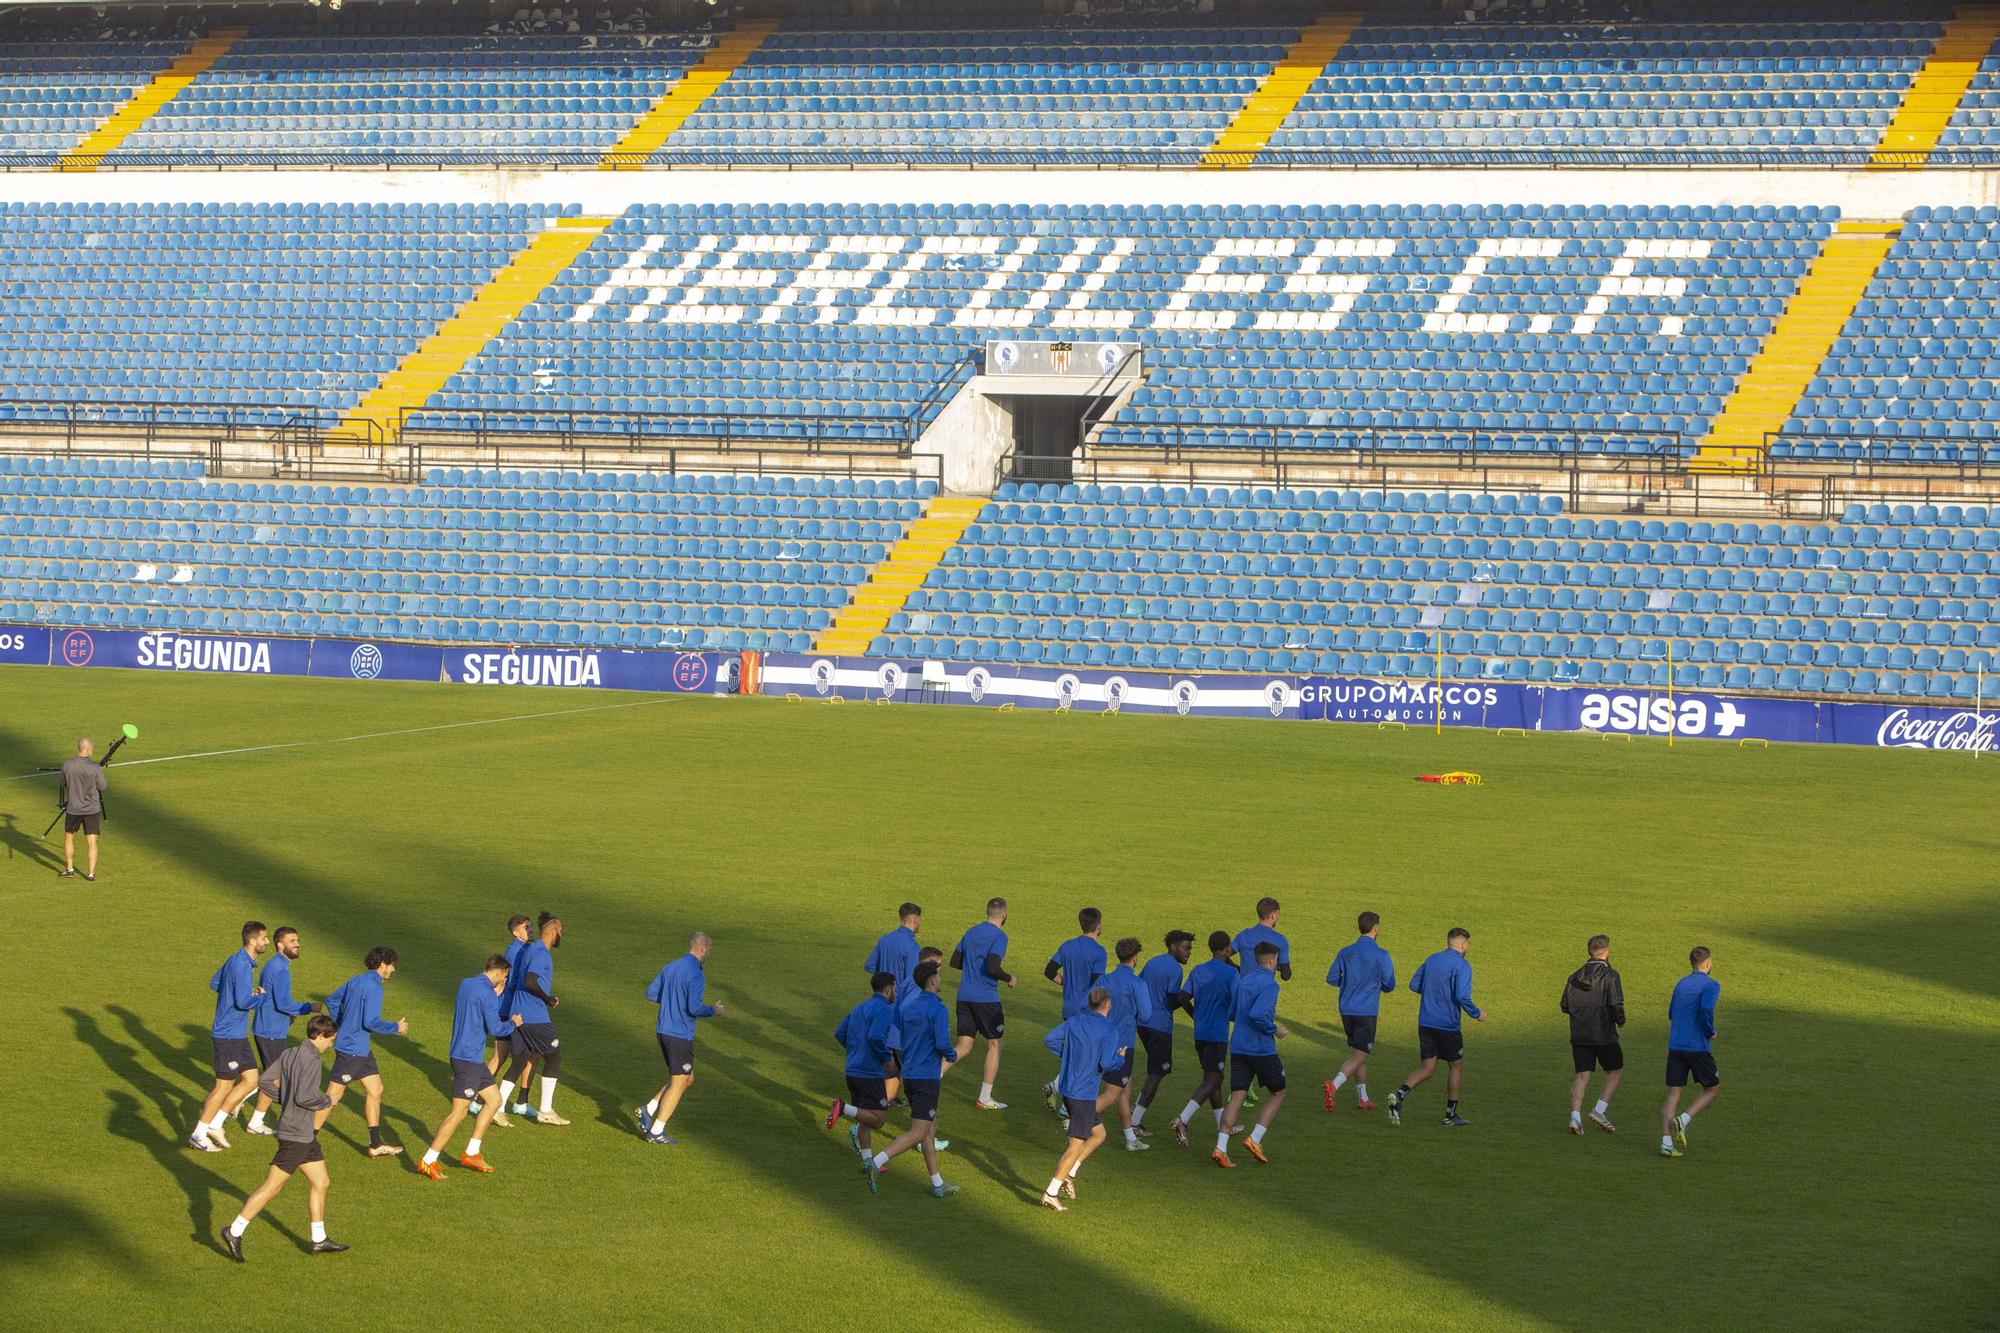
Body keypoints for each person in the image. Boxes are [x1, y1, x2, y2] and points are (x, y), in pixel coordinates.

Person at [221, 1013, 345, 1261]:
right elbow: (305, 1098)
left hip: (303, 1135)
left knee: (321, 1182)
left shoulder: (290, 1053)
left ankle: (318, 1239)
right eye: (330, 1039)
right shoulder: (313, 1061)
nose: (331, 1044)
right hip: (296, 1135)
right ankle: (234, 1231)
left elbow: (266, 1080)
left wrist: (282, 1099)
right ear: (320, 1035)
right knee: (272, 1187)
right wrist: (328, 1101)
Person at [415, 955, 520, 1181]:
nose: (505, 979)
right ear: (499, 972)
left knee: (494, 1101)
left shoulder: (466, 983)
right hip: (468, 1060)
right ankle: (428, 1159)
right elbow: (497, 1029)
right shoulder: (488, 995)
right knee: (458, 1113)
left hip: (464, 1056)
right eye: (505, 975)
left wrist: (495, 995)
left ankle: (472, 1152)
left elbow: (476, 1005)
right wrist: (514, 1023)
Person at [864, 961, 959, 1197]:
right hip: (927, 1077)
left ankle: (937, 1184)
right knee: (918, 1132)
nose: (940, 979)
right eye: (938, 976)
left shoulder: (907, 1007)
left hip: (909, 1075)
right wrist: (952, 1054)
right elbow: (941, 1043)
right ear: (932, 981)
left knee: (927, 1132)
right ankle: (876, 1161)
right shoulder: (938, 1009)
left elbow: (901, 1034)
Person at [1037, 987, 1126, 1213]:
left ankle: (1070, 1173)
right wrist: (1119, 1059)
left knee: (1099, 1134)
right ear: (1108, 1005)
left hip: (1068, 1089)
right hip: (1084, 1094)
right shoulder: (1109, 1031)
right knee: (1075, 1145)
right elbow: (1107, 1064)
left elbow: (1050, 1040)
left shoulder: (1075, 1022)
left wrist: (1068, 1055)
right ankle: (1051, 1192)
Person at [1386, 928, 1486, 1128]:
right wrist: (1477, 1014)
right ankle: (1450, 1114)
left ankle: (1399, 1094)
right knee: (1455, 1066)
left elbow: (1414, 984)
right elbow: (1461, 996)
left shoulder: (1432, 959)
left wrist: (1433, 990)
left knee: (1427, 1069)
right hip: (1447, 1025)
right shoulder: (1463, 965)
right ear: (1463, 945)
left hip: (1426, 1023)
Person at [637, 932, 724, 1145]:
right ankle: (656, 1131)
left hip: (663, 1031)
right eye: (709, 950)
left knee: (687, 1077)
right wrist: (713, 1009)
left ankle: (648, 1109)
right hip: (679, 1035)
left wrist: (670, 1001)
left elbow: (651, 993)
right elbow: (693, 1008)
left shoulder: (671, 966)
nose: (709, 954)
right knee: (678, 1082)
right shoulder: (696, 973)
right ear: (702, 948)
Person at [190, 921, 270, 1152]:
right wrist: (261, 997)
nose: (266, 942)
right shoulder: (242, 966)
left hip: (236, 1034)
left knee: (252, 1080)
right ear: (253, 940)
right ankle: (198, 1133)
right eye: (264, 938)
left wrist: (240, 992)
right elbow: (243, 1002)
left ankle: (216, 1124)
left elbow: (216, 982)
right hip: (228, 1036)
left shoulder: (235, 959)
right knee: (223, 1087)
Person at [323, 947, 411, 1157]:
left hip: (361, 1049)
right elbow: (370, 1022)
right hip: (352, 1050)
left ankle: (375, 1144)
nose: (393, 970)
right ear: (383, 965)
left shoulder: (356, 980)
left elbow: (332, 1000)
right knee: (333, 1096)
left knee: (376, 1089)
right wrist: (395, 1028)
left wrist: (340, 1023)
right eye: (392, 966)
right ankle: (305, 1137)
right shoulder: (375, 987)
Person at [1215, 941, 1288, 1167]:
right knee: (1278, 1093)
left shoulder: (1243, 980)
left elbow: (1232, 1013)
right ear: (1271, 960)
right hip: (1261, 1050)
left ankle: (1221, 1148)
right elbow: (1258, 1014)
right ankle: (1255, 1139)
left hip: (1238, 1046)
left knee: (1238, 1095)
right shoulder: (1270, 985)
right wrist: (1274, 1029)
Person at [1167, 931, 1238, 1148]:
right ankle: (1183, 1119)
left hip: (1200, 1033)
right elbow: (1236, 1003)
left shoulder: (1198, 971)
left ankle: (1223, 1125)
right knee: (1213, 1079)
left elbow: (1182, 998)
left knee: (1214, 1077)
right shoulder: (1231, 974)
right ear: (1226, 949)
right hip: (1217, 1034)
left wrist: (1196, 1015)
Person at [246, 926, 318, 1137]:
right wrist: (308, 1008)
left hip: (271, 1029)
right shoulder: (278, 969)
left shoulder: (277, 966)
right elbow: (283, 1003)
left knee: (274, 1077)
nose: (297, 945)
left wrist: (288, 1016)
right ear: (280, 945)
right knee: (274, 1079)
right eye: (292, 941)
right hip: (270, 1032)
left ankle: (251, 1115)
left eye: (297, 941)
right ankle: (242, 1108)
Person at [499, 912, 567, 1126]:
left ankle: (496, 1108)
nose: (561, 936)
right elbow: (530, 981)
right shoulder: (540, 953)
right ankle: (545, 1110)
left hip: (518, 1013)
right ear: (553, 931)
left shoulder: (532, 949)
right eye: (561, 932)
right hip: (533, 1015)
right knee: (554, 1057)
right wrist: (547, 998)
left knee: (520, 1060)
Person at [1323, 911, 1394, 1112]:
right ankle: (1334, 1085)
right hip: (1366, 1011)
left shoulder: (1345, 952)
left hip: (1346, 1009)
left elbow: (1331, 978)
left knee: (1358, 1053)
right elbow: (1390, 984)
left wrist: (1348, 982)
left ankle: (1363, 1098)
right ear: (1376, 928)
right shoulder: (1381, 955)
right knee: (1361, 1055)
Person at [825, 972, 897, 1169]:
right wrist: (886, 1057)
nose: (895, 993)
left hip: (852, 1069)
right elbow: (875, 1037)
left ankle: (867, 1162)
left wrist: (855, 1051)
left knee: (864, 1117)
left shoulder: (859, 1008)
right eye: (895, 989)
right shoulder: (884, 1009)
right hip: (870, 1072)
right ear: (888, 988)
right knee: (879, 1119)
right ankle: (842, 1107)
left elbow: (840, 1033)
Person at [950, 898, 1014, 1111]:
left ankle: (933, 1074)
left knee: (964, 1046)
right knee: (994, 1045)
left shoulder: (971, 932)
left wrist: (972, 967)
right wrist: (1009, 978)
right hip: (986, 999)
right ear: (1004, 915)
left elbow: (955, 961)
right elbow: (993, 967)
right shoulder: (999, 936)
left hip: (964, 996)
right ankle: (984, 1098)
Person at [1042, 908, 1107, 1111]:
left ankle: (1059, 1091)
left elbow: (1049, 971)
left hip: (1068, 1008)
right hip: (1087, 1010)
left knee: (1079, 1055)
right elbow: (1097, 984)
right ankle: (1064, 1100)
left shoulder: (1067, 946)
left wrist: (1066, 983)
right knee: (1086, 1058)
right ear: (1098, 926)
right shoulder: (1099, 952)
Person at [1660, 946, 1722, 1158]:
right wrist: (1710, 1031)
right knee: (1712, 1088)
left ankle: (1666, 1142)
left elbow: (1671, 1012)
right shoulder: (1711, 985)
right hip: (1697, 1047)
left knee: (1673, 1093)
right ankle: (1683, 1120)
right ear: (1708, 962)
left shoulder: (1681, 983)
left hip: (1676, 1045)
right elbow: (1706, 1008)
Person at [1562, 934, 1626, 1135]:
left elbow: (1564, 1005)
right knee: (1615, 1070)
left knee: (1582, 1076)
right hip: (1603, 1033)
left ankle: (1575, 1117)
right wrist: (1620, 1020)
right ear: (1606, 952)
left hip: (1580, 1033)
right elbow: (1615, 1003)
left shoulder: (1574, 976)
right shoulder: (1611, 976)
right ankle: (1599, 1110)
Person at [1134, 931, 1194, 1136]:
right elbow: (1170, 1001)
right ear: (1173, 946)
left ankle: (1133, 1117)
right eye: (1186, 948)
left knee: (1154, 1071)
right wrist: (1188, 996)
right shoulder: (1175, 969)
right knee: (1156, 1074)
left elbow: (1138, 985)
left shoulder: (1152, 962)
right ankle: (1133, 1123)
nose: (1189, 953)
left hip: (1142, 1024)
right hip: (1160, 1027)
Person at [1097, 938, 1154, 1152]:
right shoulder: (1137, 984)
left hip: (1101, 1040)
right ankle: (1076, 1122)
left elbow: (1089, 1003)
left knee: (1125, 1090)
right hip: (1122, 1045)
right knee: (1112, 1093)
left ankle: (1130, 1139)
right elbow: (1147, 1016)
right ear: (1135, 958)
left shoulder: (1104, 979)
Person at [58, 736, 106, 881]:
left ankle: (69, 868)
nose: (93, 750)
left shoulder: (67, 765)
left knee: (69, 837)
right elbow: (103, 787)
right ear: (87, 748)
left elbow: (63, 783)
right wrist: (98, 772)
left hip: (73, 808)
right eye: (92, 748)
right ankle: (91, 873)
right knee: (92, 841)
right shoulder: (95, 767)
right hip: (92, 809)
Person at [1232, 897, 1291, 982]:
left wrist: (1239, 970)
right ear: (1274, 914)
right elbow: (1286, 975)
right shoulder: (1280, 940)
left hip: (1243, 989)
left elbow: (1223, 955)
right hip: (1264, 990)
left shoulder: (1244, 935)